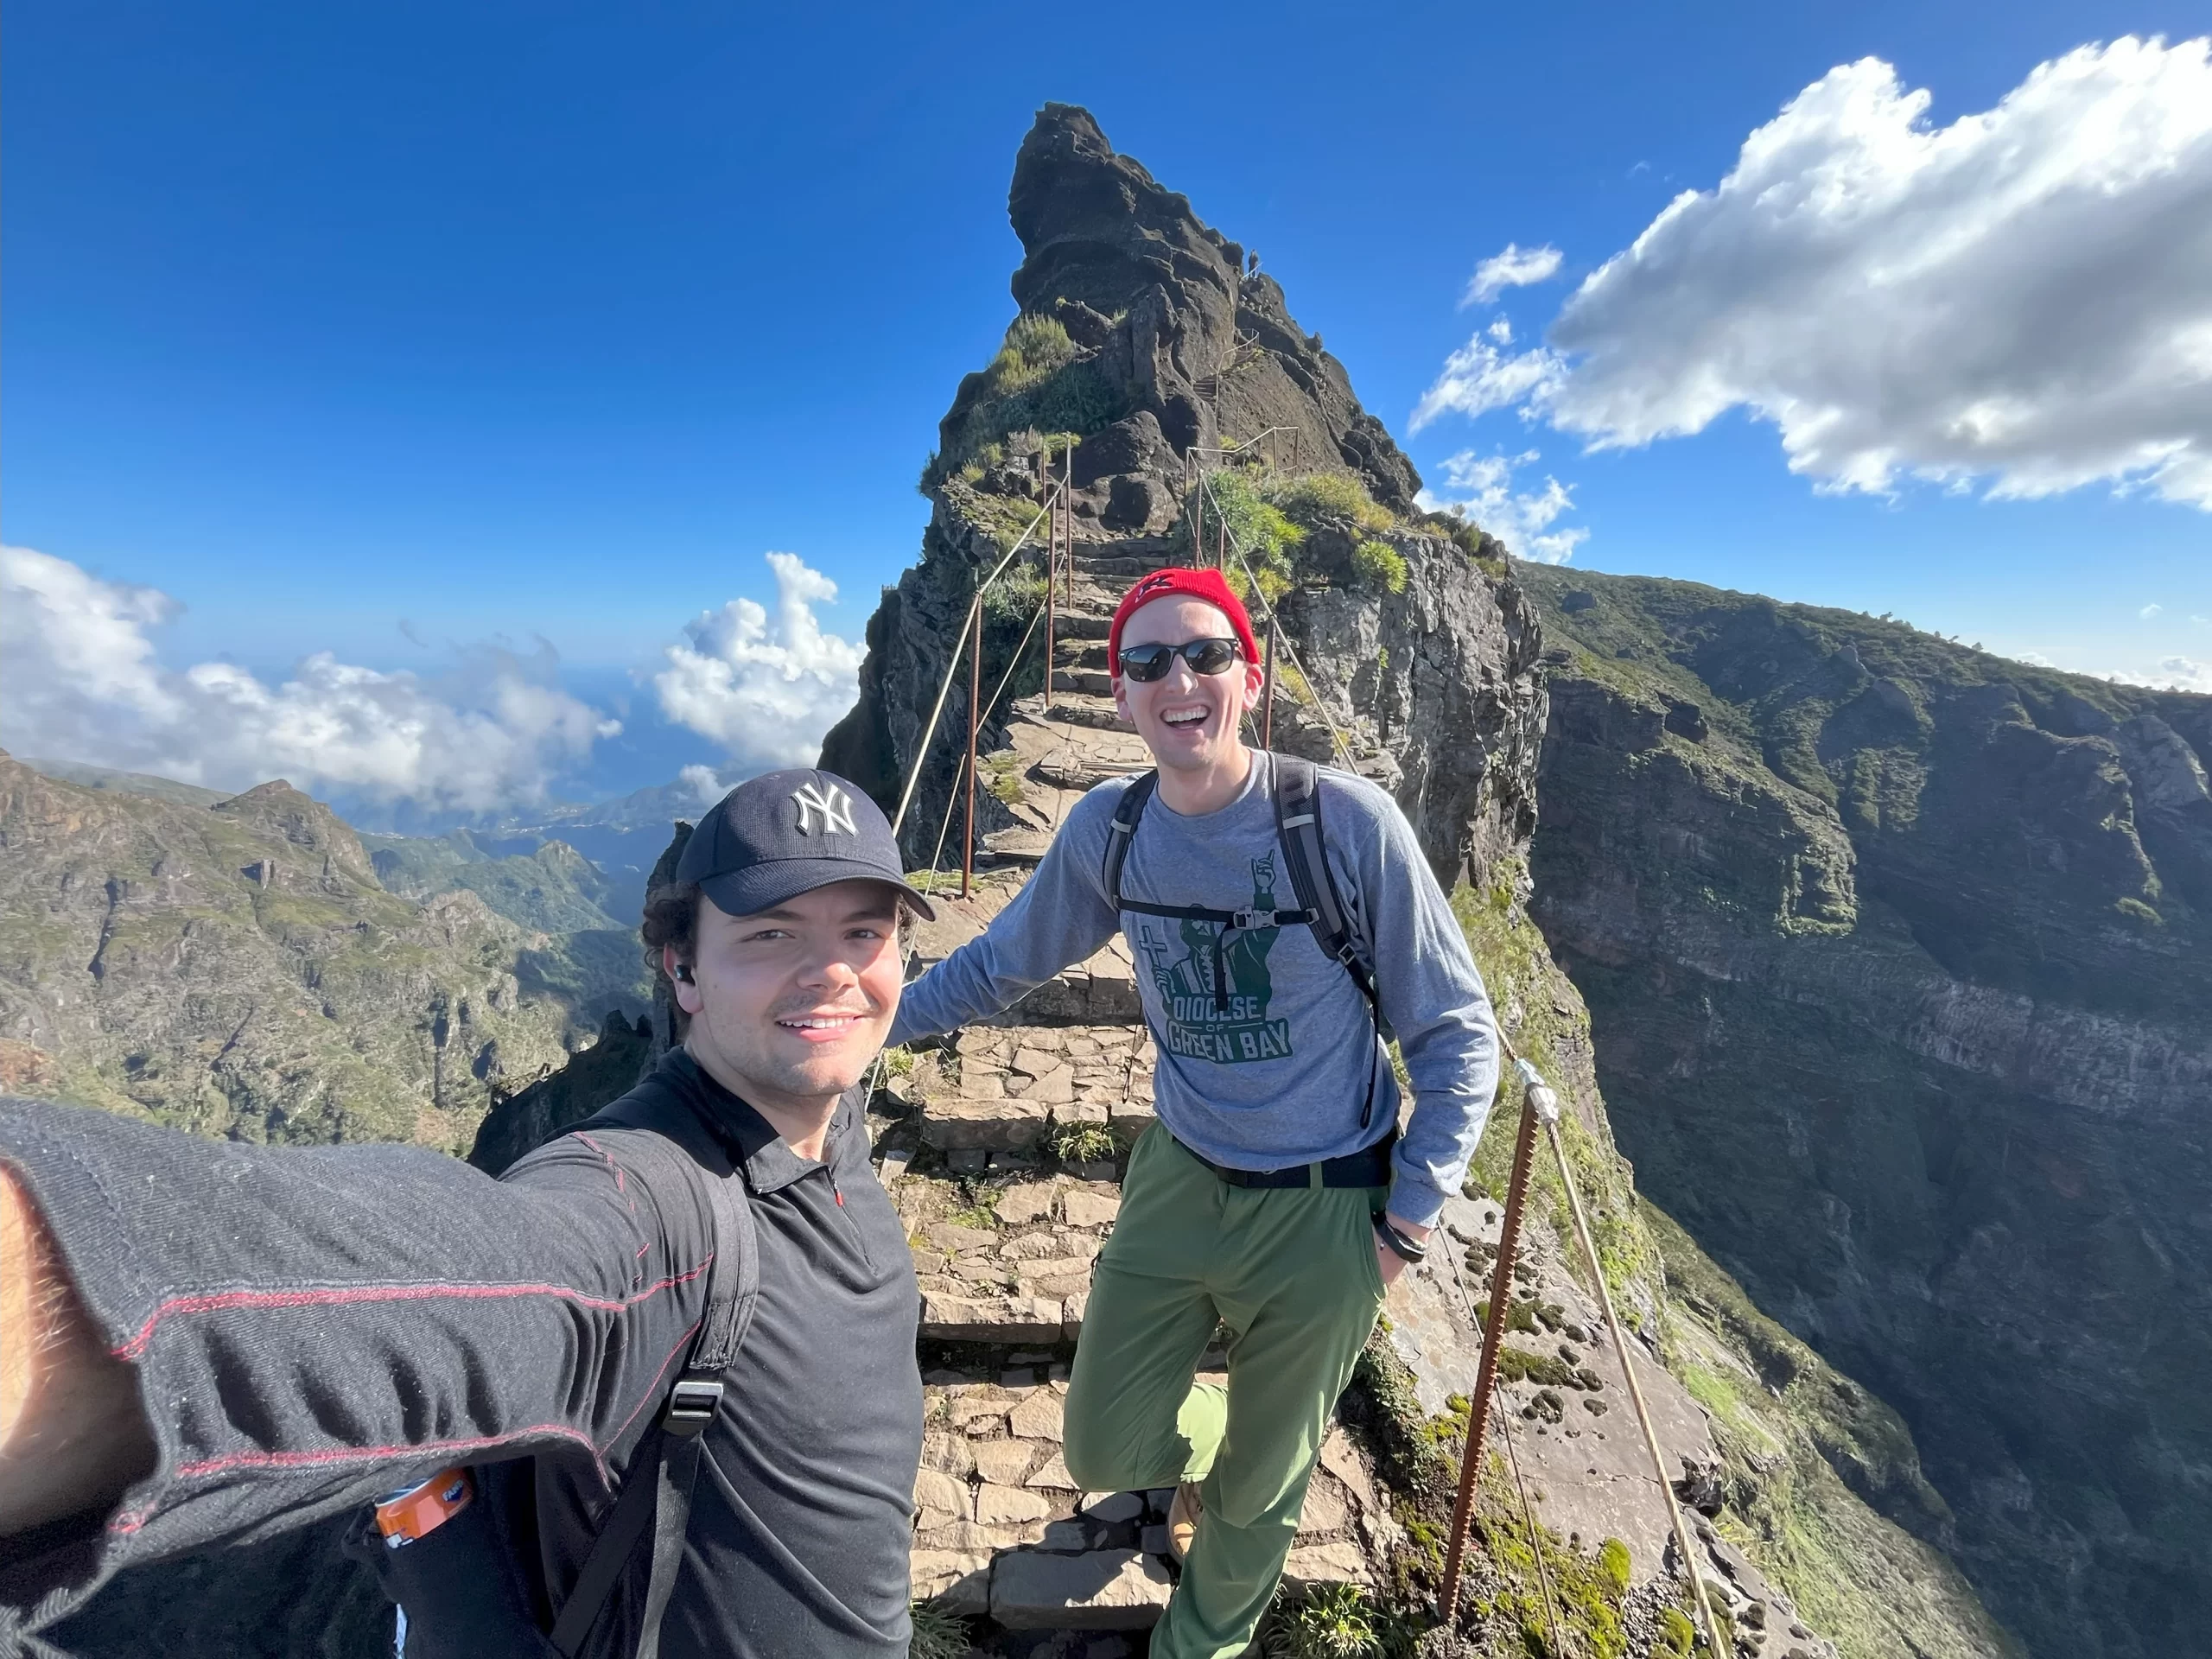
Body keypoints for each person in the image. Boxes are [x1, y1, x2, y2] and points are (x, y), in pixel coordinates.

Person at [0, 769, 932, 1659]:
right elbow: (482, 1273)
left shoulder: (829, 1118)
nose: (832, 974)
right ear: (683, 970)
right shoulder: (656, 1205)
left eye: (863, 931)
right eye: (772, 936)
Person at [888, 566, 1501, 1659]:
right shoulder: (1110, 830)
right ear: (1120, 697)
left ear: (1249, 680)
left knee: (1260, 1498)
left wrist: (1405, 1226)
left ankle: (1198, 1638)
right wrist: (872, 1029)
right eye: (1146, 661)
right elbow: (1000, 965)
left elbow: (1456, 1034)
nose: (1179, 678)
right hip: (1180, 1171)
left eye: (1205, 654)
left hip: (1328, 1202)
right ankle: (1233, 1440)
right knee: (1102, 1441)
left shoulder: (1340, 822)